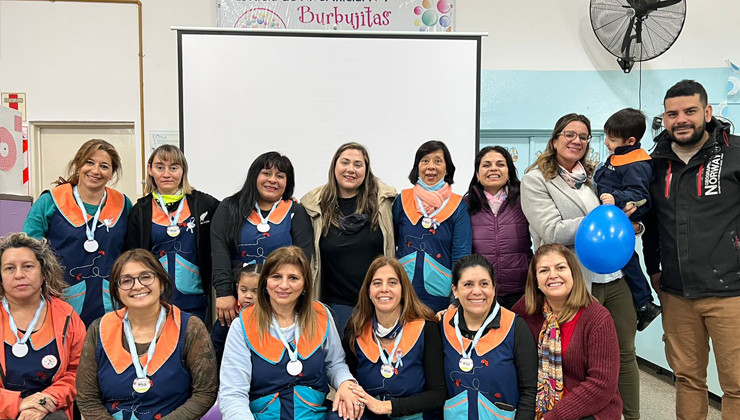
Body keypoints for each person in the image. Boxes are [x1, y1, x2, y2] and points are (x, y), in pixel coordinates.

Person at [520, 113, 640, 419]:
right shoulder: (536, 179)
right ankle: (581, 409)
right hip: (577, 280)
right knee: (582, 362)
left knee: (625, 354)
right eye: (569, 134)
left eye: (584, 136)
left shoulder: (593, 177)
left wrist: (630, 224)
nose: (577, 141)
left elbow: (613, 228)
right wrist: (598, 218)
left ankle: (631, 415)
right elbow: (552, 231)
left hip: (615, 275)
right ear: (556, 138)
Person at [643, 79, 740, 418]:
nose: (680, 119)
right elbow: (652, 224)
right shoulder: (654, 163)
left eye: (690, 111)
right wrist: (653, 269)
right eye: (672, 113)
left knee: (737, 384)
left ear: (707, 112)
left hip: (731, 293)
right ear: (665, 118)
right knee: (687, 378)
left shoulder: (735, 153)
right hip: (677, 293)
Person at [219, 246, 364, 419]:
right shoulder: (242, 325)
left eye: (293, 278)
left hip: (314, 415)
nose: (284, 285)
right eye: (276, 277)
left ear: (304, 285)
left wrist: (346, 383)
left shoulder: (320, 315)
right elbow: (233, 394)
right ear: (265, 282)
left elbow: (335, 364)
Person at [75, 249, 218, 419]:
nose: (137, 285)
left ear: (162, 282)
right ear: (116, 290)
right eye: (126, 281)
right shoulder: (98, 329)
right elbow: (87, 399)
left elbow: (205, 394)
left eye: (146, 277)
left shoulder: (190, 327)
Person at [23, 139, 132, 327]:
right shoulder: (50, 201)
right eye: (89, 162)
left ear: (112, 173)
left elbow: (132, 252)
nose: (95, 171)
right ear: (78, 164)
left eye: (104, 166)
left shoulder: (123, 204)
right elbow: (27, 252)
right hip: (60, 297)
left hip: (112, 302)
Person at [512, 244, 621, 420]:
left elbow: (601, 385)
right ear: (536, 281)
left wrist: (553, 417)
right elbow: (499, 325)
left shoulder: (597, 318)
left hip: (590, 409)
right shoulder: (527, 309)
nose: (553, 275)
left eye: (560, 267)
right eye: (544, 270)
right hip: (540, 403)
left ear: (573, 274)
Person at [301, 142, 397, 336]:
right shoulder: (312, 206)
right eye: (345, 162)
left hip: (377, 304)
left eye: (358, 164)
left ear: (366, 170)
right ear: (334, 166)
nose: (350, 169)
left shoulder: (385, 203)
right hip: (334, 307)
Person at [210, 151, 313, 327]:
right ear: (254, 176)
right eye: (266, 173)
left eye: (280, 176)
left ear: (287, 182)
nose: (272, 180)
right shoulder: (229, 207)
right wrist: (224, 293)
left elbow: (303, 259)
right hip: (239, 300)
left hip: (281, 299)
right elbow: (220, 251)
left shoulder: (296, 212)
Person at [342, 256, 447, 418]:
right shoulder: (355, 329)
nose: (384, 289)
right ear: (368, 291)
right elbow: (349, 381)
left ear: (404, 290)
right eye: (377, 283)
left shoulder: (426, 328)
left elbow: (438, 394)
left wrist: (386, 406)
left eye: (392, 282)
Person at [124, 145, 220, 322]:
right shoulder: (140, 210)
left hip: (195, 301)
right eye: (160, 167)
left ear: (183, 170)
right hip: (153, 301)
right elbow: (131, 258)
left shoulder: (202, 203)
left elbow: (234, 213)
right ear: (150, 170)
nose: (167, 174)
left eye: (174, 168)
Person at [0, 233, 86, 420]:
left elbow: (78, 373)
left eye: (28, 266)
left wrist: (45, 401)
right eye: (9, 268)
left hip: (49, 411)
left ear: (44, 272)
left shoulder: (68, 316)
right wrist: (18, 404)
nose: (19, 274)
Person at [440, 254, 536, 420]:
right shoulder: (442, 326)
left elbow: (530, 391)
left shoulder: (516, 327)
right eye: (468, 284)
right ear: (455, 290)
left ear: (493, 288)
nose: (477, 291)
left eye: (484, 284)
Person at [593, 108, 662, 332]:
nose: (606, 142)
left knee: (626, 259)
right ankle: (644, 302)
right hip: (610, 215)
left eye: (611, 139)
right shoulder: (617, 156)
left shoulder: (637, 163)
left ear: (631, 140)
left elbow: (640, 195)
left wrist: (617, 198)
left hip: (624, 215)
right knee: (625, 258)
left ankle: (644, 303)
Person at [393, 140, 472, 313]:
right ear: (417, 167)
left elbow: (462, 255)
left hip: (440, 296)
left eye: (438, 161)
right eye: (425, 160)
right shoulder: (402, 200)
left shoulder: (458, 205)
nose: (431, 167)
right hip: (402, 293)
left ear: (447, 168)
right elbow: (390, 245)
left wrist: (455, 301)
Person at [464, 146, 532, 310]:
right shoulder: (465, 204)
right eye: (486, 165)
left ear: (509, 171)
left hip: (521, 291)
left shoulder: (525, 199)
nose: (493, 168)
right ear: (477, 174)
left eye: (500, 164)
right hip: (481, 293)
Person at [211, 262, 261, 367]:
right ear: (237, 287)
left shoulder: (271, 316)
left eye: (255, 291)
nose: (248, 296)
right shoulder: (229, 316)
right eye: (243, 290)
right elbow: (215, 347)